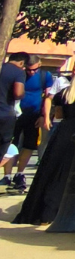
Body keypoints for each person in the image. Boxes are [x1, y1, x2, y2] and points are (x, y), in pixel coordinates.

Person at [13, 56, 75, 225]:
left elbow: (58, 111)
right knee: (67, 175)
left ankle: (43, 212)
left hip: (63, 132)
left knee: (50, 172)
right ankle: (53, 212)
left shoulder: (67, 92)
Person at [11, 53, 55, 193]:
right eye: (29, 69)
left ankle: (20, 173)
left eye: (34, 69)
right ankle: (7, 174)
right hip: (16, 114)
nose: (31, 72)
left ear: (39, 65)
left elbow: (48, 96)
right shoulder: (19, 74)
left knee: (29, 145)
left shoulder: (45, 76)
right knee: (12, 144)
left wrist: (44, 115)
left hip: (34, 115)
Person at [0, 51, 26, 187]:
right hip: (5, 115)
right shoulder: (18, 72)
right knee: (4, 145)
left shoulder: (1, 67)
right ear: (22, 63)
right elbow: (18, 93)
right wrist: (23, 94)